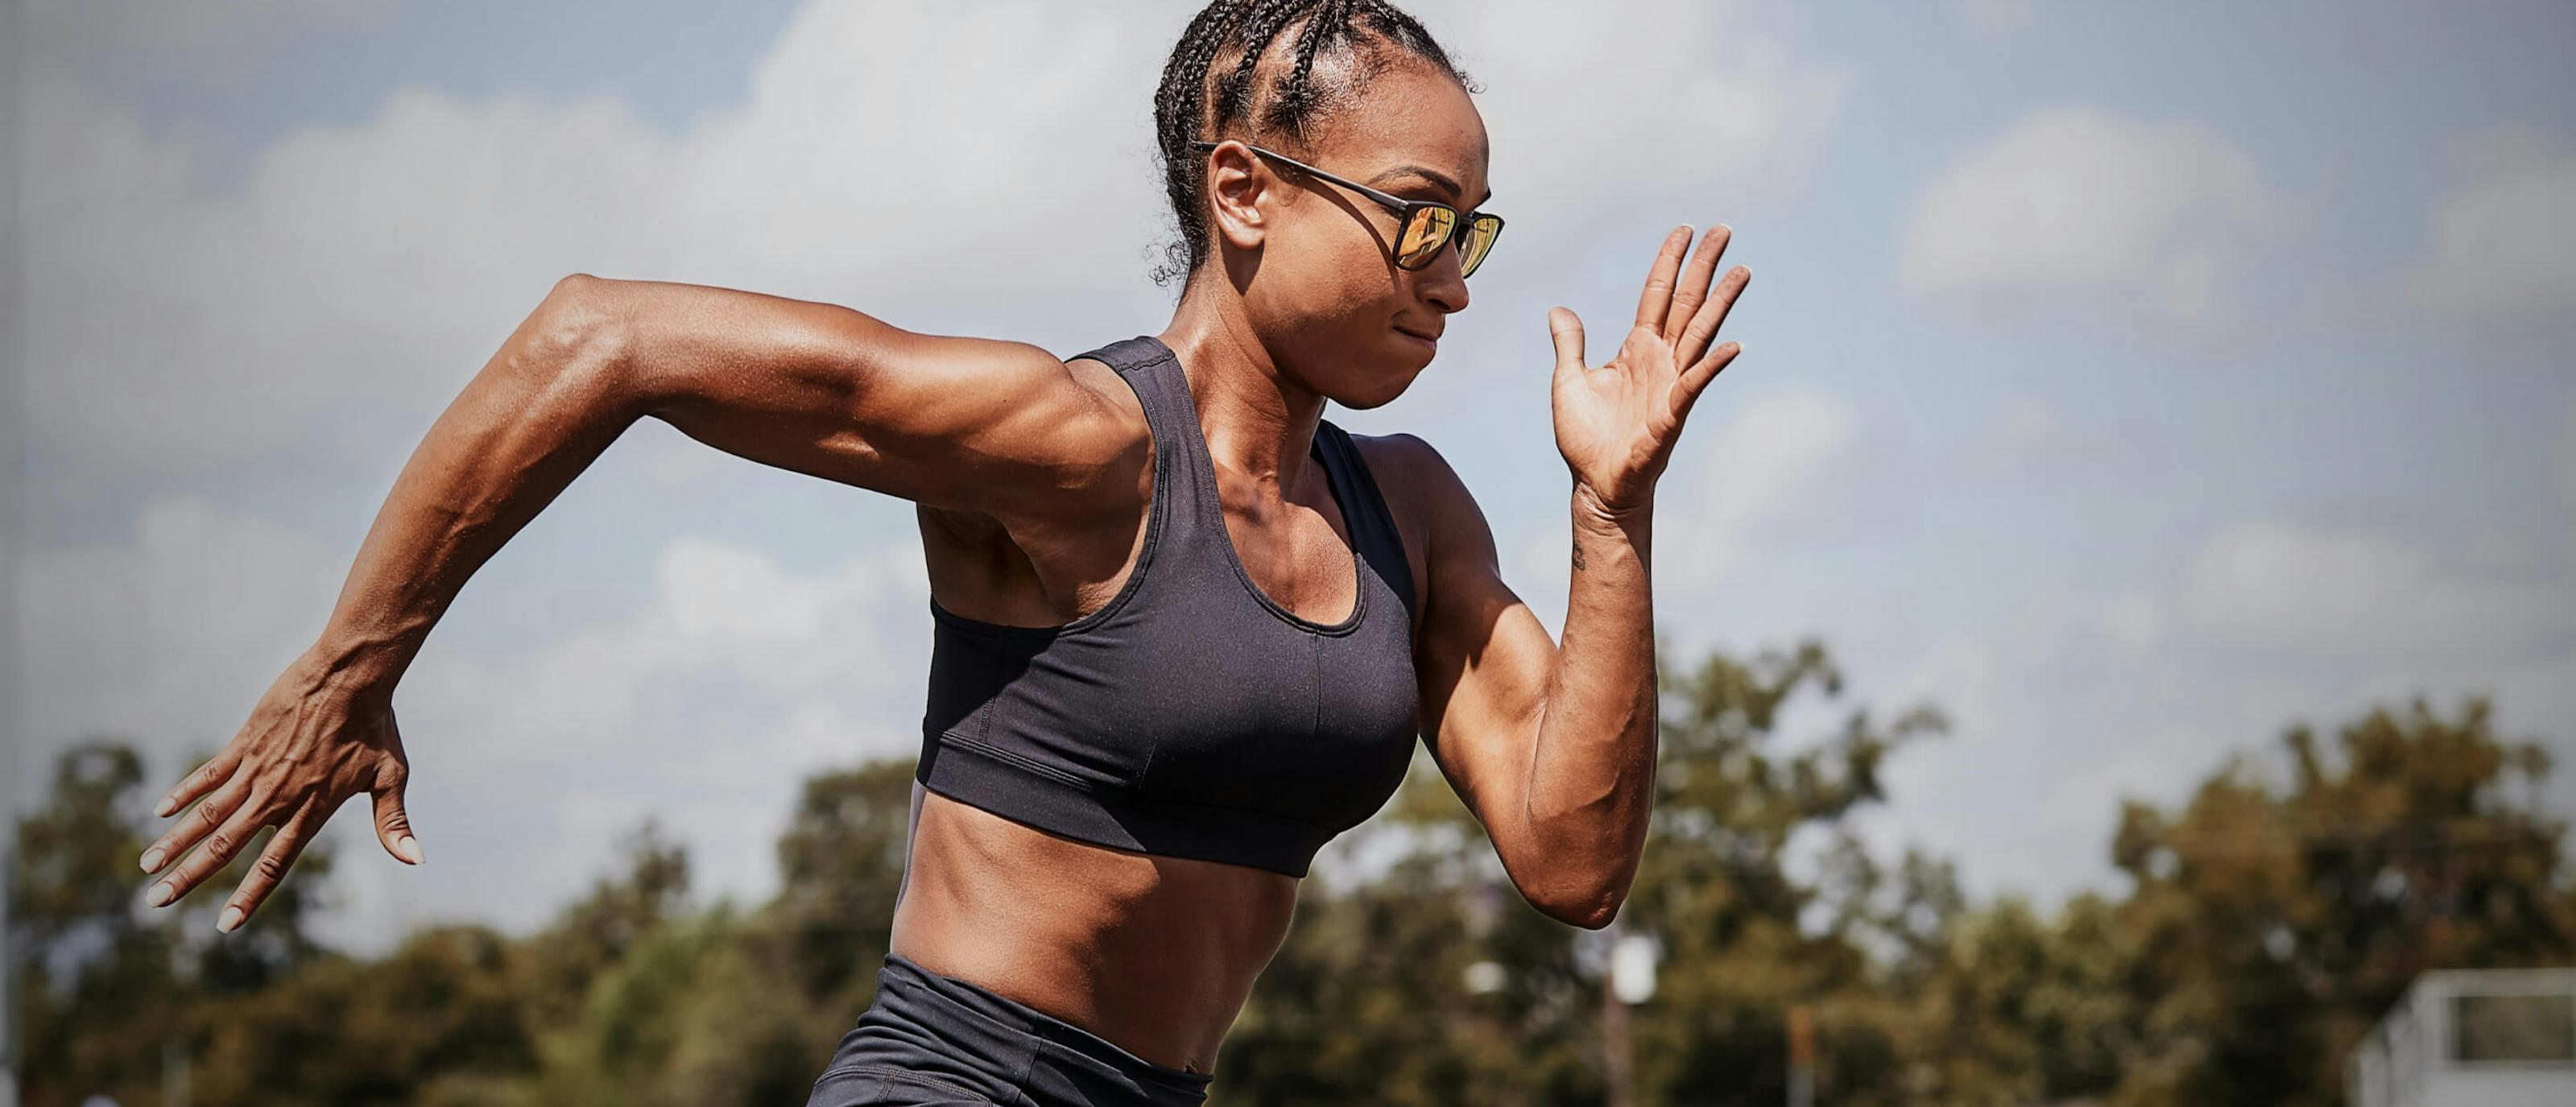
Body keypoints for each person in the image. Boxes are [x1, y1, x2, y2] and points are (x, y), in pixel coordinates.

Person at [130, 1, 1750, 1103]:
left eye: (1470, 229)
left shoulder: (1410, 514)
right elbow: (601, 337)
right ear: (1244, 190)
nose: (1450, 273)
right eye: (1415, 215)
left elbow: (1572, 861)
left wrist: (1613, 513)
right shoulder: (1071, 445)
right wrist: (357, 662)